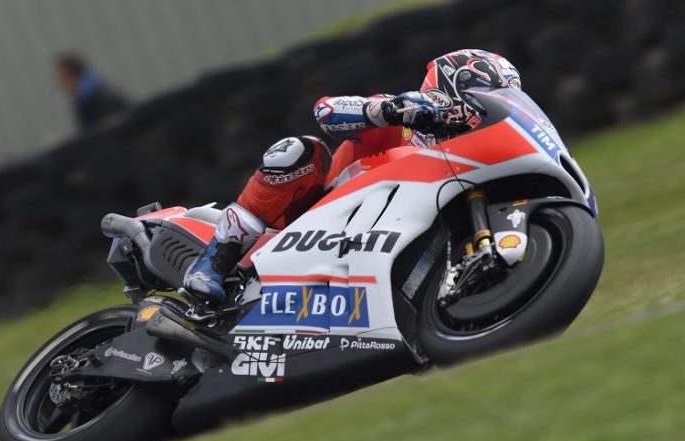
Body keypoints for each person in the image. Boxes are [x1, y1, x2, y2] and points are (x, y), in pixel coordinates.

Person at [183, 49, 522, 303]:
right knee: (302, 150)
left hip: (370, 245)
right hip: (314, 219)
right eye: (491, 92)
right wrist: (386, 111)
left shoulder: (466, 156)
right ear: (457, 85)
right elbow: (326, 110)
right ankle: (213, 264)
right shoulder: (405, 115)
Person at [55, 53, 130, 130]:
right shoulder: (84, 99)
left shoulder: (100, 98)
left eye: (62, 76)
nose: (59, 81)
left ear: (72, 75)